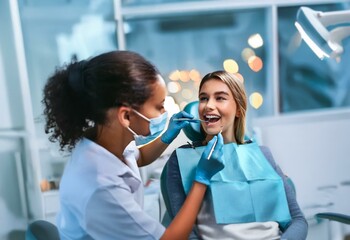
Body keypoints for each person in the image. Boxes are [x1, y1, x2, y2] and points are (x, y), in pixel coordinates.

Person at [42, 50, 225, 240]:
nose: (165, 111)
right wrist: (201, 179)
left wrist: (167, 135)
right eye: (159, 106)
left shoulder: (105, 141)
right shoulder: (102, 188)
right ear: (126, 116)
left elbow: (138, 157)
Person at [163, 70, 308, 240]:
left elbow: (298, 220)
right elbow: (186, 235)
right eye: (203, 98)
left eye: (220, 98)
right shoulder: (180, 160)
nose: (208, 105)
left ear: (239, 109)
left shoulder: (263, 154)